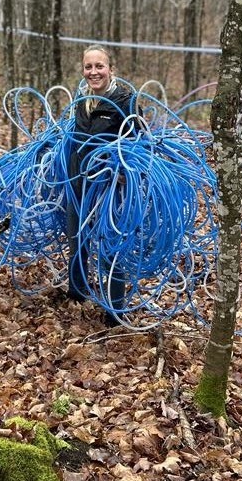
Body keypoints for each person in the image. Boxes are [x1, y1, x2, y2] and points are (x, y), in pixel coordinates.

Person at [65, 44, 137, 327]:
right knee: (77, 237)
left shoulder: (126, 100)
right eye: (88, 67)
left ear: (111, 69)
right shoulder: (81, 99)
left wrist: (122, 171)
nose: (93, 72)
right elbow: (74, 137)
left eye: (99, 66)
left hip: (109, 185)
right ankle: (77, 292)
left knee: (111, 243)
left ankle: (114, 309)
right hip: (78, 181)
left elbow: (138, 142)